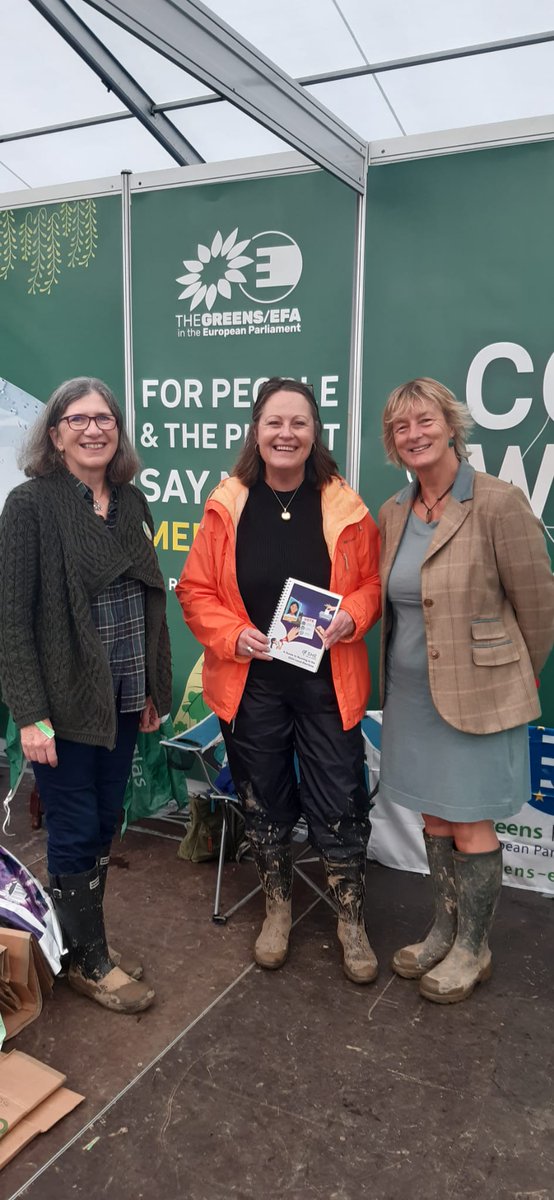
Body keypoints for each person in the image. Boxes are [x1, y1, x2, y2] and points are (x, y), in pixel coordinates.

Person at [177, 377, 381, 983]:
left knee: (340, 799)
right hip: (252, 683)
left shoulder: (345, 505)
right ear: (257, 432)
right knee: (262, 797)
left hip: (327, 683)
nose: (286, 434)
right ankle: (277, 906)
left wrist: (354, 615)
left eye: (299, 423)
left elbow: (370, 585)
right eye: (275, 423)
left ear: (315, 433)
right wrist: (231, 634)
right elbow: (195, 591)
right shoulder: (228, 503)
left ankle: (350, 918)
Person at [379, 377, 554, 1004]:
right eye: (401, 428)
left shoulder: (499, 502)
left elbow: (537, 606)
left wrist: (509, 676)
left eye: (424, 421)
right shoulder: (394, 511)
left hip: (478, 695)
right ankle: (443, 931)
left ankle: (474, 948)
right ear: (393, 444)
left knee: (471, 822)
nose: (415, 435)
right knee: (433, 815)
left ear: (451, 425)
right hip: (410, 693)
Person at [0, 377, 172, 1014]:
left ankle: (76, 942)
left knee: (103, 821)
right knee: (74, 827)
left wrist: (152, 687)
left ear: (118, 431)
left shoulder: (134, 503)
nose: (94, 429)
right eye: (79, 419)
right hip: (64, 703)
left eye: (105, 418)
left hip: (125, 697)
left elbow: (151, 601)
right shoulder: (30, 507)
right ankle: (90, 962)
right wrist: (30, 715)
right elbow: (12, 620)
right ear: (55, 433)